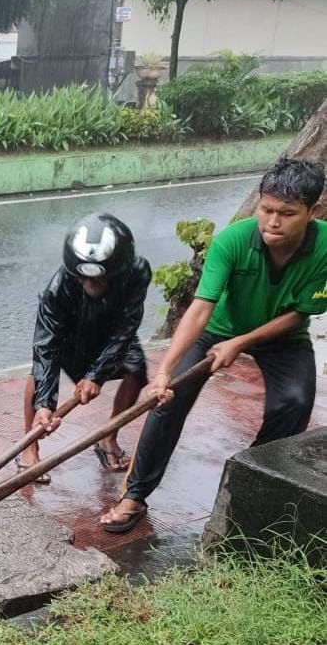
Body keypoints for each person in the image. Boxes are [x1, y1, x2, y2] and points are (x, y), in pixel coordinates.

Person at [101, 157, 327, 534]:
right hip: (218, 328)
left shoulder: (324, 248)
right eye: (266, 209)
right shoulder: (232, 241)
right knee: (168, 401)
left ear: (312, 211)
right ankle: (134, 496)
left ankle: (253, 483)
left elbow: (300, 314)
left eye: (287, 214)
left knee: (295, 402)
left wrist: (242, 343)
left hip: (283, 334)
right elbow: (200, 308)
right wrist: (165, 373)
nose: (273, 222)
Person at [20, 212, 151, 481]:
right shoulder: (57, 290)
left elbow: (127, 327)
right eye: (85, 278)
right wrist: (46, 404)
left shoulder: (137, 272)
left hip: (112, 333)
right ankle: (28, 448)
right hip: (71, 335)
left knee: (136, 371)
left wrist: (96, 375)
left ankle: (107, 439)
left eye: (99, 279)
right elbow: (46, 348)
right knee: (38, 374)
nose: (91, 284)